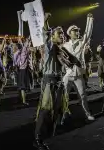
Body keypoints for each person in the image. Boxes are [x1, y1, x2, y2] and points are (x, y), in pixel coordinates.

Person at [34, 13, 71, 150]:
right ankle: (37, 139)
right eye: (59, 33)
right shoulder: (50, 48)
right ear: (53, 36)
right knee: (45, 111)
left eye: (62, 33)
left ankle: (47, 136)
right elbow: (45, 35)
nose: (62, 35)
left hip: (59, 82)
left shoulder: (61, 50)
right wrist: (45, 21)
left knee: (56, 111)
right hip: (49, 82)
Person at [62, 13, 95, 122]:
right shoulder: (65, 45)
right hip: (67, 75)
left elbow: (88, 34)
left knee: (82, 96)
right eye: (74, 30)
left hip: (78, 75)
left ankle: (87, 114)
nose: (77, 32)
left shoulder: (81, 43)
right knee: (64, 96)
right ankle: (65, 112)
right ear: (69, 33)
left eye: (77, 30)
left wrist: (89, 20)